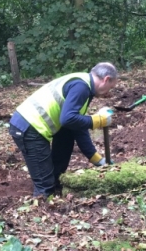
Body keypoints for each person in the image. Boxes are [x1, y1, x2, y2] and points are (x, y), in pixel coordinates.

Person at [9, 63, 119, 199]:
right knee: (44, 184)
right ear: (106, 79)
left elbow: (77, 127)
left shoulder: (85, 85)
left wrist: (96, 159)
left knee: (67, 136)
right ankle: (42, 202)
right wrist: (97, 121)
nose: (109, 91)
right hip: (28, 127)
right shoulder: (81, 87)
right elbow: (68, 119)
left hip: (32, 126)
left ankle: (56, 184)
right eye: (111, 87)